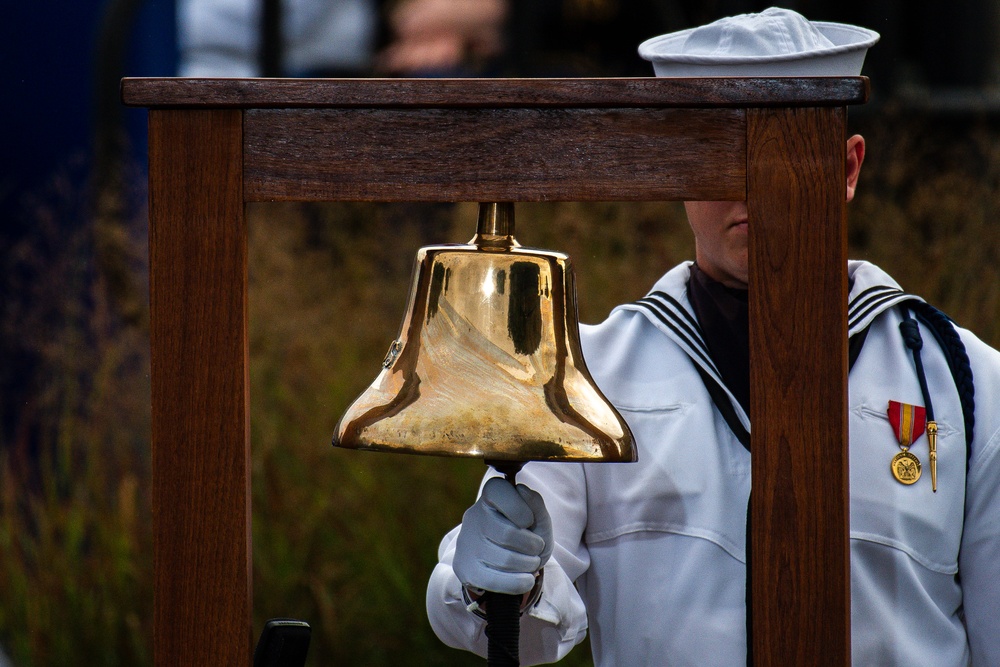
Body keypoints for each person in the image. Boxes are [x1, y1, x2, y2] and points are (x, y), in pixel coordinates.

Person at [425, 8, 1000, 665]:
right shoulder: (586, 378)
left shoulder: (968, 385)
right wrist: (486, 582)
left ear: (848, 166)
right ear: (678, 171)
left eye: (786, 145)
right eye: (717, 153)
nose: (751, 184)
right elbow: (522, 637)